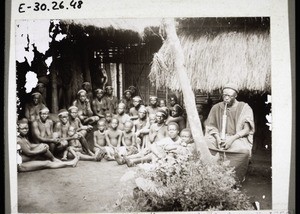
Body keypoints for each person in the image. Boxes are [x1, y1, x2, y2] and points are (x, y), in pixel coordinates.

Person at [205, 83, 255, 182]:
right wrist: (218, 138)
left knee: (244, 152)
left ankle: (233, 178)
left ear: (235, 96)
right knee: (203, 145)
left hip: (235, 137)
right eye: (224, 95)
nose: (226, 98)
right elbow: (211, 126)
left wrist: (231, 140)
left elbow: (246, 129)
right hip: (218, 137)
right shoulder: (216, 107)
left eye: (229, 96)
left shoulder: (244, 107)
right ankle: (211, 175)